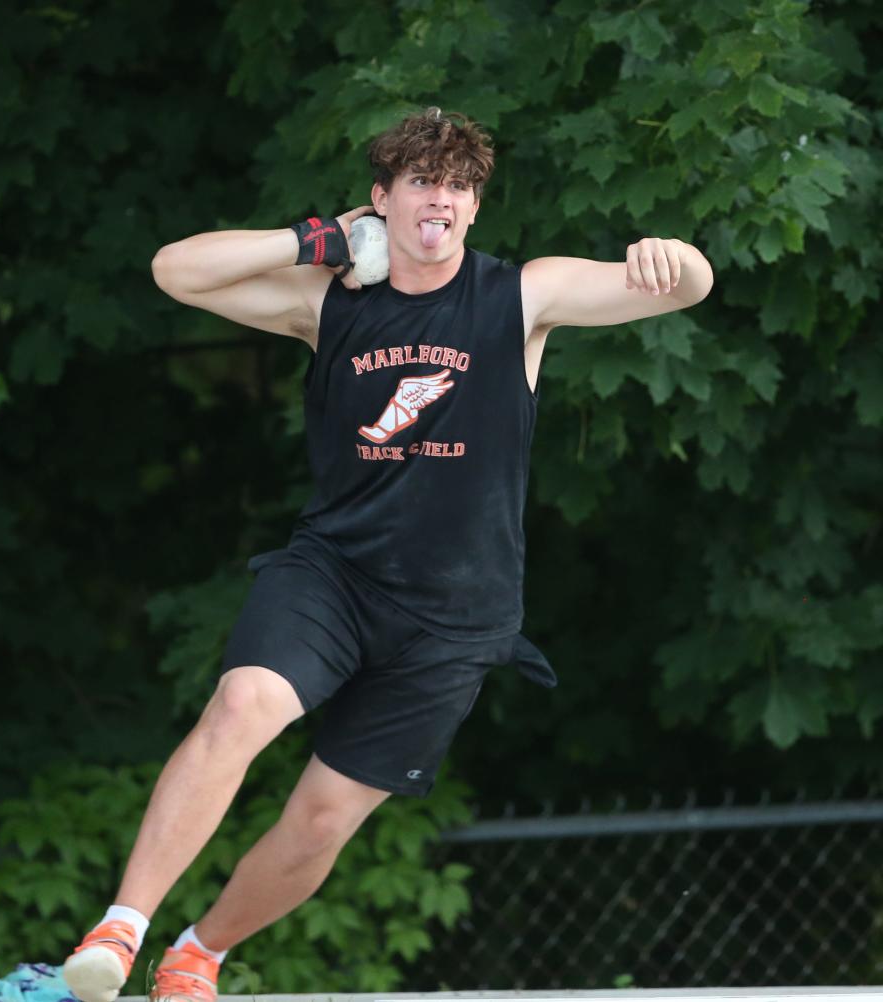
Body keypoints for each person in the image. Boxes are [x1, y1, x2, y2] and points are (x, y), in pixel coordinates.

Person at [62, 107, 714, 1002]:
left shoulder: (523, 295)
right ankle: (121, 929)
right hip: (336, 574)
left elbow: (686, 289)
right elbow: (175, 271)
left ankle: (198, 955)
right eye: (420, 181)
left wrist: (674, 256)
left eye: (456, 185)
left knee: (323, 817)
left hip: (458, 616)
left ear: (475, 207)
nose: (439, 197)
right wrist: (314, 239)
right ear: (384, 199)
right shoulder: (330, 300)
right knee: (244, 701)